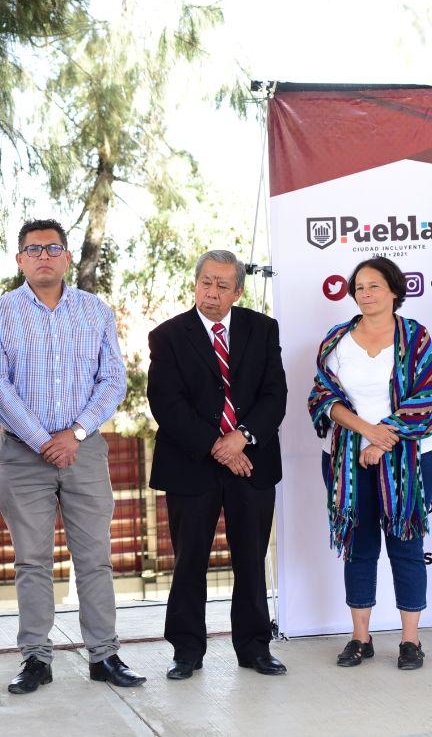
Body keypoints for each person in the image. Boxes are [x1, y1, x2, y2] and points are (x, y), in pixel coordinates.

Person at [0, 218, 145, 693]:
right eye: (33, 249)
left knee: (94, 558)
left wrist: (73, 434)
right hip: (22, 453)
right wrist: (42, 439)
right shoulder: (1, 313)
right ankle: (36, 658)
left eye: (53, 248)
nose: (44, 256)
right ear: (20, 260)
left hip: (84, 451)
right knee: (31, 561)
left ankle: (105, 655)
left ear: (67, 256)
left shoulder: (95, 311)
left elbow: (113, 380)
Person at [147, 250, 289, 680]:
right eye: (206, 282)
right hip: (192, 463)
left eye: (222, 286)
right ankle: (187, 650)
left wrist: (241, 438)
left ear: (238, 291)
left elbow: (274, 395)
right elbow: (166, 404)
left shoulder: (262, 329)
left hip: (252, 461)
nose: (212, 292)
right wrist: (217, 445)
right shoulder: (168, 335)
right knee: (190, 559)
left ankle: (254, 647)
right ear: (196, 283)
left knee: (251, 557)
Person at [307, 256, 432, 671]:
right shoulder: (337, 339)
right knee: (359, 545)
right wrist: (366, 431)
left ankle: (410, 641)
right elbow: (323, 397)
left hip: (412, 454)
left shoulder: (415, 336)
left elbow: (425, 397)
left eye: (374, 286)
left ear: (395, 291)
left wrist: (383, 442)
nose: (364, 294)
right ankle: (360, 638)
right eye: (359, 287)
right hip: (346, 457)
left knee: (406, 544)